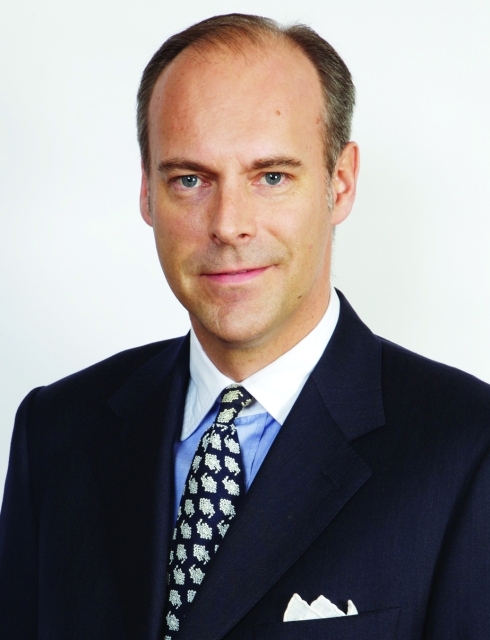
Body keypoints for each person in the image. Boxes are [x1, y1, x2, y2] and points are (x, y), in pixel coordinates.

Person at [1, 12, 490, 640]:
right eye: (190, 179)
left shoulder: (467, 448)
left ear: (340, 184)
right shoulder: (55, 432)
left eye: (272, 177)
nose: (228, 224)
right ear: (147, 193)